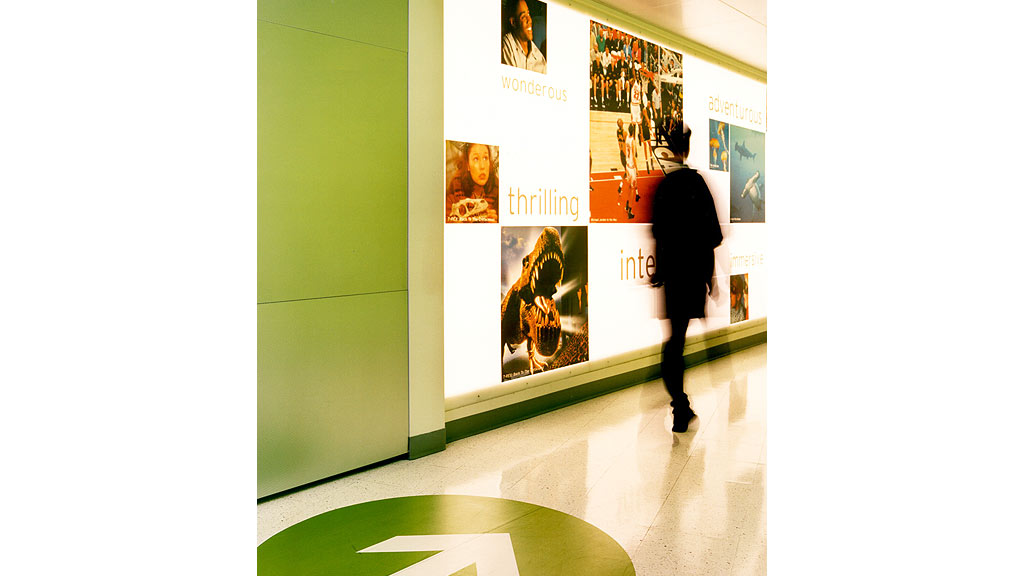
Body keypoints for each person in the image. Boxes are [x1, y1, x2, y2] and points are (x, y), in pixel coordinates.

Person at [650, 122, 723, 432]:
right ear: (687, 150)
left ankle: (680, 404)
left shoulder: (664, 187)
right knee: (683, 339)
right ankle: (680, 405)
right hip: (693, 275)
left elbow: (658, 235)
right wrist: (711, 278)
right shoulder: (697, 184)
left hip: (673, 278)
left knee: (675, 342)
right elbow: (712, 236)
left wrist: (659, 274)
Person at [446, 142, 499, 222]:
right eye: (476, 159)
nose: (482, 166)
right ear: (468, 165)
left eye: (485, 158)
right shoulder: (452, 197)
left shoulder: (499, 193)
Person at [501, 0, 547, 73]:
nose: (529, 20)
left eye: (528, 14)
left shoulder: (539, 58)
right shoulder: (507, 46)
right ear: (513, 22)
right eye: (523, 17)